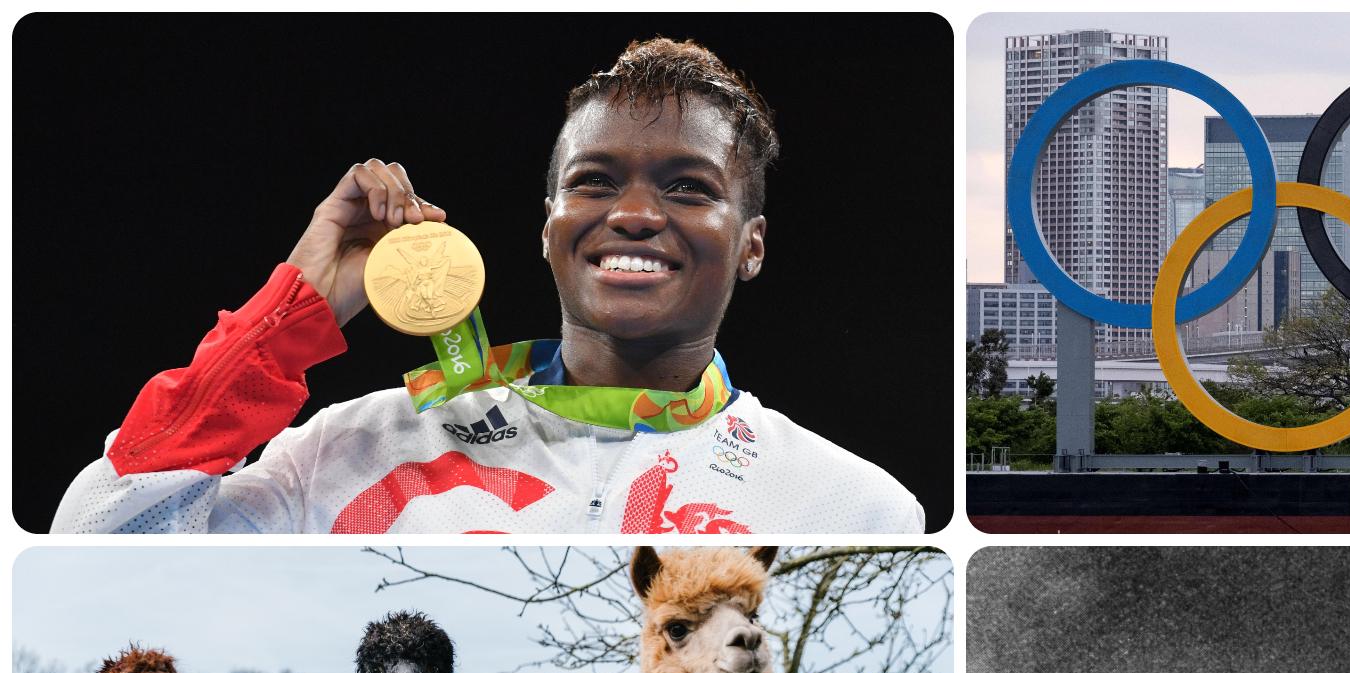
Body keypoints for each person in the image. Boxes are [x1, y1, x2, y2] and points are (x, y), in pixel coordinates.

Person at [52, 38, 922, 534]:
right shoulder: (358, 449)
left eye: (689, 188)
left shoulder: (848, 504)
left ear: (752, 245)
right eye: (593, 181)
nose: (633, 214)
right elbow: (96, 540)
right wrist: (287, 318)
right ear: (548, 227)